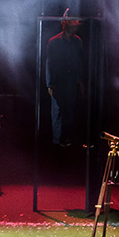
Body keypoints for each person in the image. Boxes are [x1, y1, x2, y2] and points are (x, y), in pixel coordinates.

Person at [46, 13, 85, 146]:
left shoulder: (78, 42)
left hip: (71, 82)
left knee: (70, 110)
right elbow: (49, 64)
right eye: (73, 23)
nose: (75, 26)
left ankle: (67, 139)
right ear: (65, 24)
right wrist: (50, 84)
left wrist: (80, 81)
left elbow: (79, 63)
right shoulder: (54, 42)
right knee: (57, 111)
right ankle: (57, 141)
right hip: (58, 82)